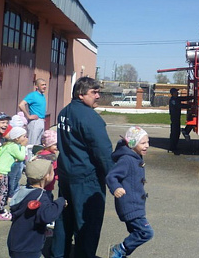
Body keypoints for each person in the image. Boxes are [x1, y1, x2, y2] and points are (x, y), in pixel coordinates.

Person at [51, 77, 113, 258]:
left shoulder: (64, 112)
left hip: (66, 174)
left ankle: (58, 253)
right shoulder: (90, 117)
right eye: (94, 92)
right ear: (80, 94)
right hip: (86, 177)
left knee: (65, 217)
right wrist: (113, 177)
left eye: (98, 92)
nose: (98, 96)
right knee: (87, 222)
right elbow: (103, 150)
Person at [106, 127, 153, 258]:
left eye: (148, 142)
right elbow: (111, 176)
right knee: (146, 232)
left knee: (137, 233)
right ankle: (118, 250)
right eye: (143, 143)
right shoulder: (127, 160)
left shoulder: (135, 157)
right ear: (132, 144)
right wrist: (116, 187)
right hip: (129, 204)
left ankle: (121, 253)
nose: (147, 146)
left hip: (136, 204)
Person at [7, 158, 66, 258]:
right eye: (52, 172)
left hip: (16, 241)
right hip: (28, 245)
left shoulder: (24, 191)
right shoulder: (40, 196)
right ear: (46, 176)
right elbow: (47, 216)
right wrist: (60, 202)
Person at [0, 127, 28, 221]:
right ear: (17, 138)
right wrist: (23, 146)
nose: (25, 138)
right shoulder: (14, 146)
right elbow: (21, 157)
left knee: (1, 190)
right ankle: (0, 211)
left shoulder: (7, 144)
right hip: (3, 171)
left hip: (0, 169)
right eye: (23, 136)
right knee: (3, 191)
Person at [18, 79, 47, 146]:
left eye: (45, 85)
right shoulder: (32, 95)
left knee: (38, 145)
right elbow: (21, 105)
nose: (44, 86)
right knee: (31, 145)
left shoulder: (42, 96)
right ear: (37, 86)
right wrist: (28, 116)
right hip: (35, 122)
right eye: (42, 85)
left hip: (41, 121)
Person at [168, 88, 187, 153]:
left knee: (177, 133)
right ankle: (172, 147)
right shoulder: (173, 100)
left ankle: (174, 146)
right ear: (173, 93)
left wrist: (193, 97)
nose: (177, 93)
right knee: (174, 133)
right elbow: (179, 106)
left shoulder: (176, 99)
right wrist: (189, 106)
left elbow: (184, 98)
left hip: (177, 118)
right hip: (174, 119)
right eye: (176, 92)